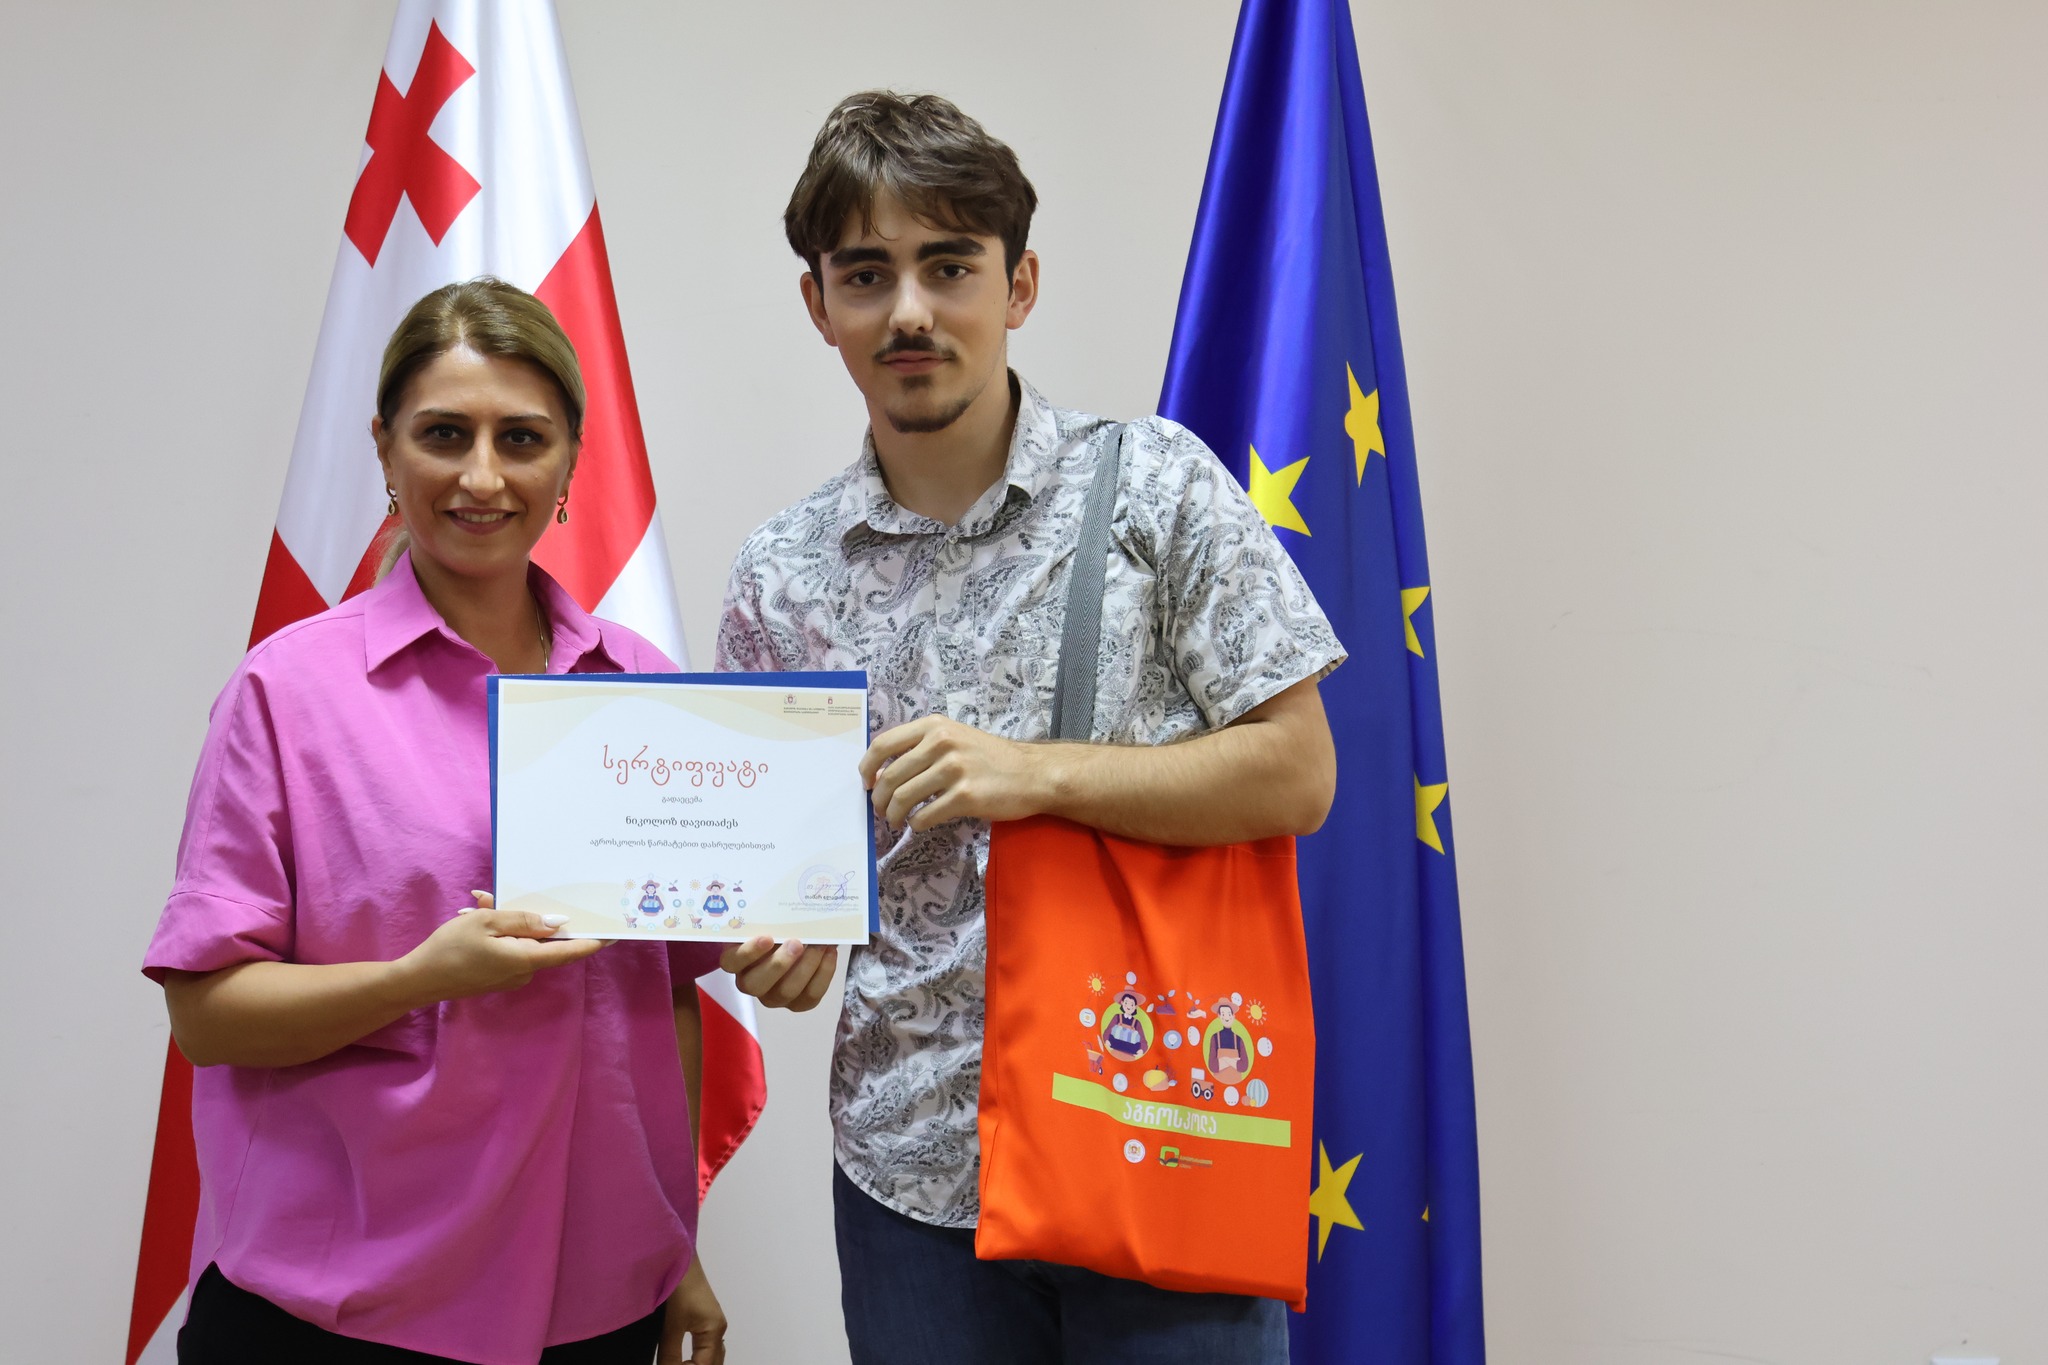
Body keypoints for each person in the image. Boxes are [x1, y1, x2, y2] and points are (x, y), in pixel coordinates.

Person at [717, 92, 1345, 1364]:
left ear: (1018, 286)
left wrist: (1037, 774)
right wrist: (787, 939)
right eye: (865, 274)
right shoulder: (779, 574)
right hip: (908, 1171)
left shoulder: (1156, 485)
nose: (908, 310)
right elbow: (792, 876)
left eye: (949, 266)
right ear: (818, 305)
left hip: (1150, 1119)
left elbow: (1298, 773)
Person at [146, 279, 726, 1365]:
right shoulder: (286, 694)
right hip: (340, 1309)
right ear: (383, 447)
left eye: (522, 438)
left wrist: (676, 1242)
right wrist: (422, 977)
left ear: (570, 461)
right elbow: (207, 1018)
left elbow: (667, 994)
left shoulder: (640, 686)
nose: (482, 475)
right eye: (444, 434)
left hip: (595, 1302)